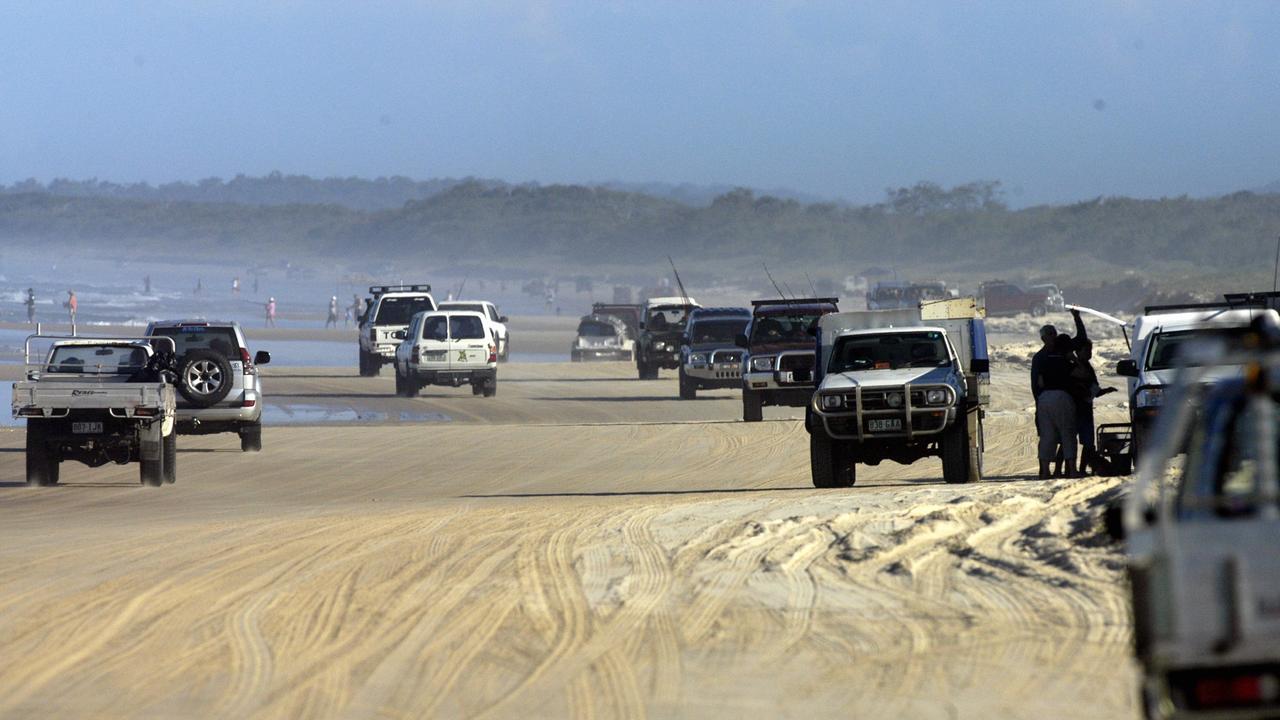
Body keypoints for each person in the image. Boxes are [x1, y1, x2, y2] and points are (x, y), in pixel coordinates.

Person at [1035, 334, 1078, 479]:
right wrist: (1075, 360)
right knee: (1067, 433)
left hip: (1044, 399)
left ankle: (1045, 471)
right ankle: (1072, 469)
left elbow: (1040, 382)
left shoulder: (1044, 361)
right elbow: (1081, 375)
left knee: (1047, 435)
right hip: (1063, 397)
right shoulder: (1067, 363)